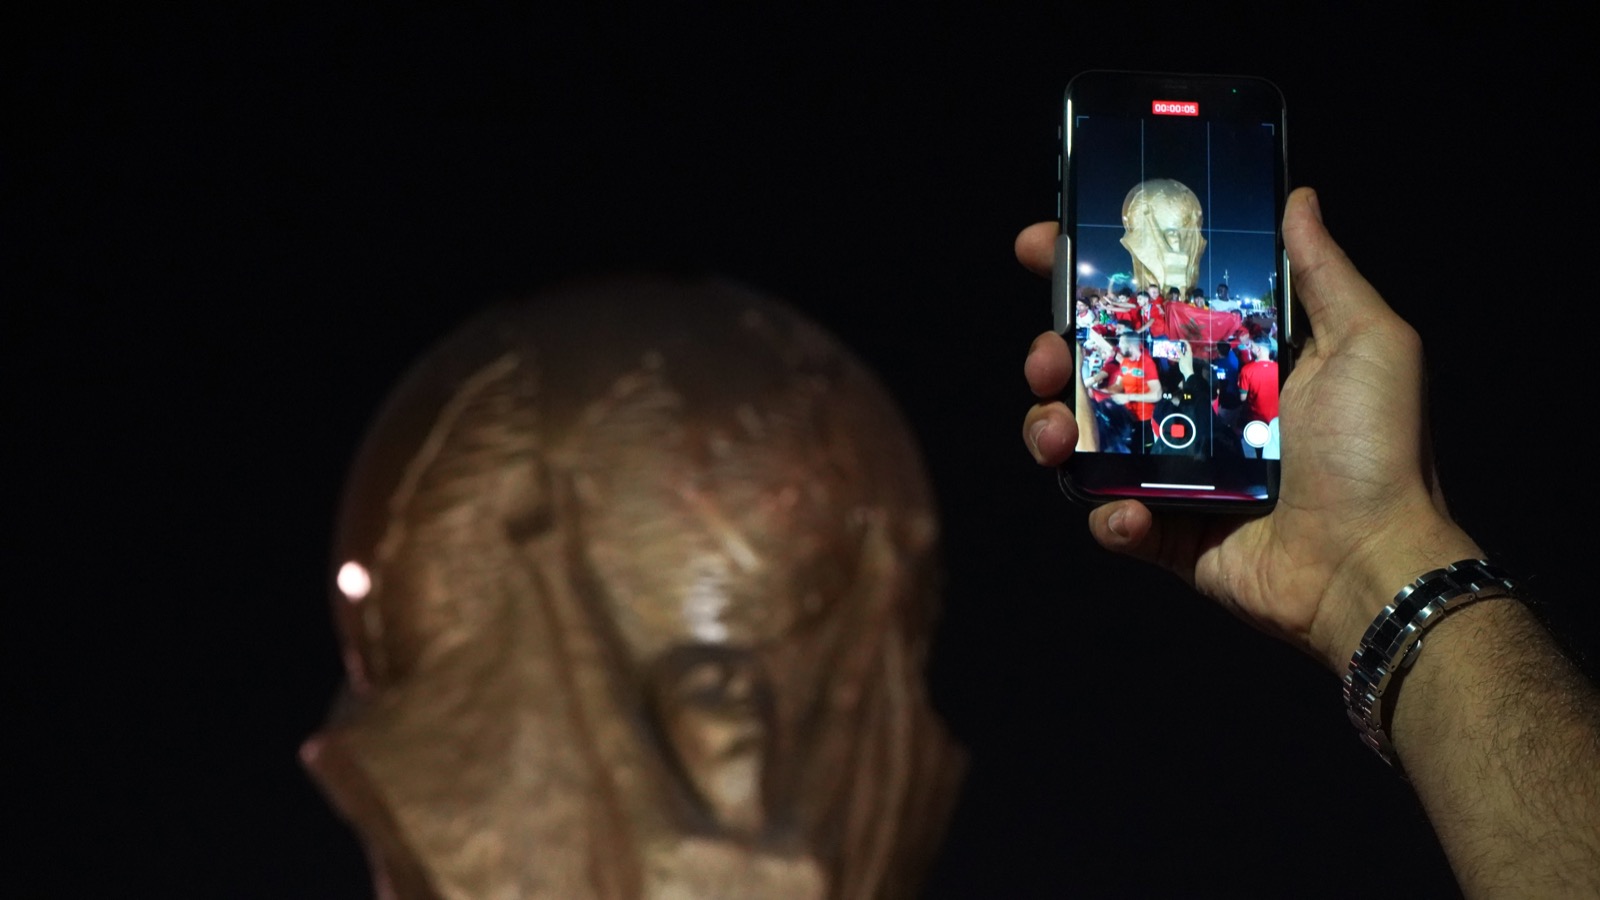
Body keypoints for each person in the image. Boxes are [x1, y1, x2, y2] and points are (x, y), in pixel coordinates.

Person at [1018, 187, 1600, 897]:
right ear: (1127, 241)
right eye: (1158, 234)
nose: (1179, 250)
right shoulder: (1104, 327)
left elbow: (1263, 404)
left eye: (1190, 234)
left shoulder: (1237, 334)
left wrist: (1376, 546)